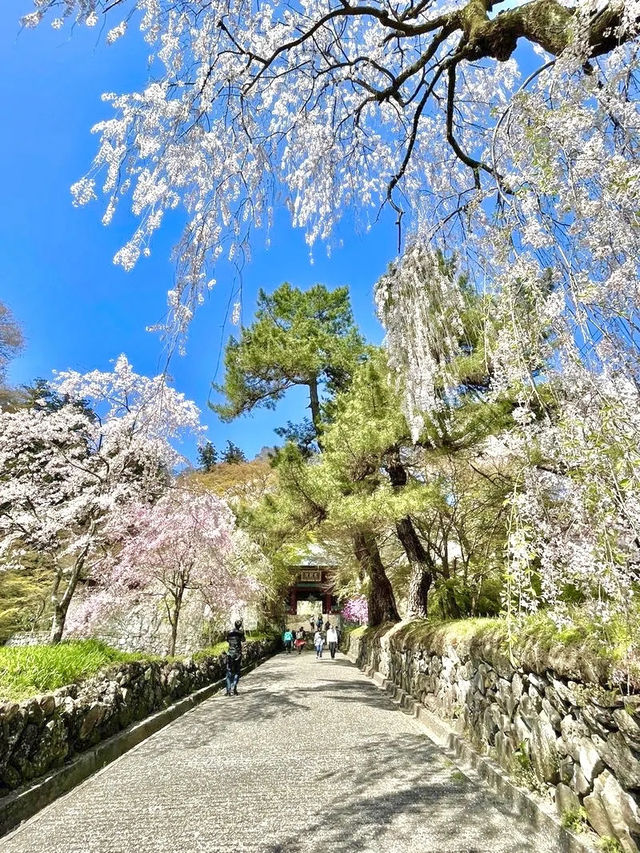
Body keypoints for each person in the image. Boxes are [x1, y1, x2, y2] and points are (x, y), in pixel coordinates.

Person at [225, 618, 245, 695]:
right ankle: (234, 688)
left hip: (230, 653)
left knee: (229, 671)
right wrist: (242, 631)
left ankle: (228, 690)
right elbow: (243, 640)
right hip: (238, 654)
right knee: (237, 671)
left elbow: (227, 640)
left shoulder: (229, 632)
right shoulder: (240, 633)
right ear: (240, 626)